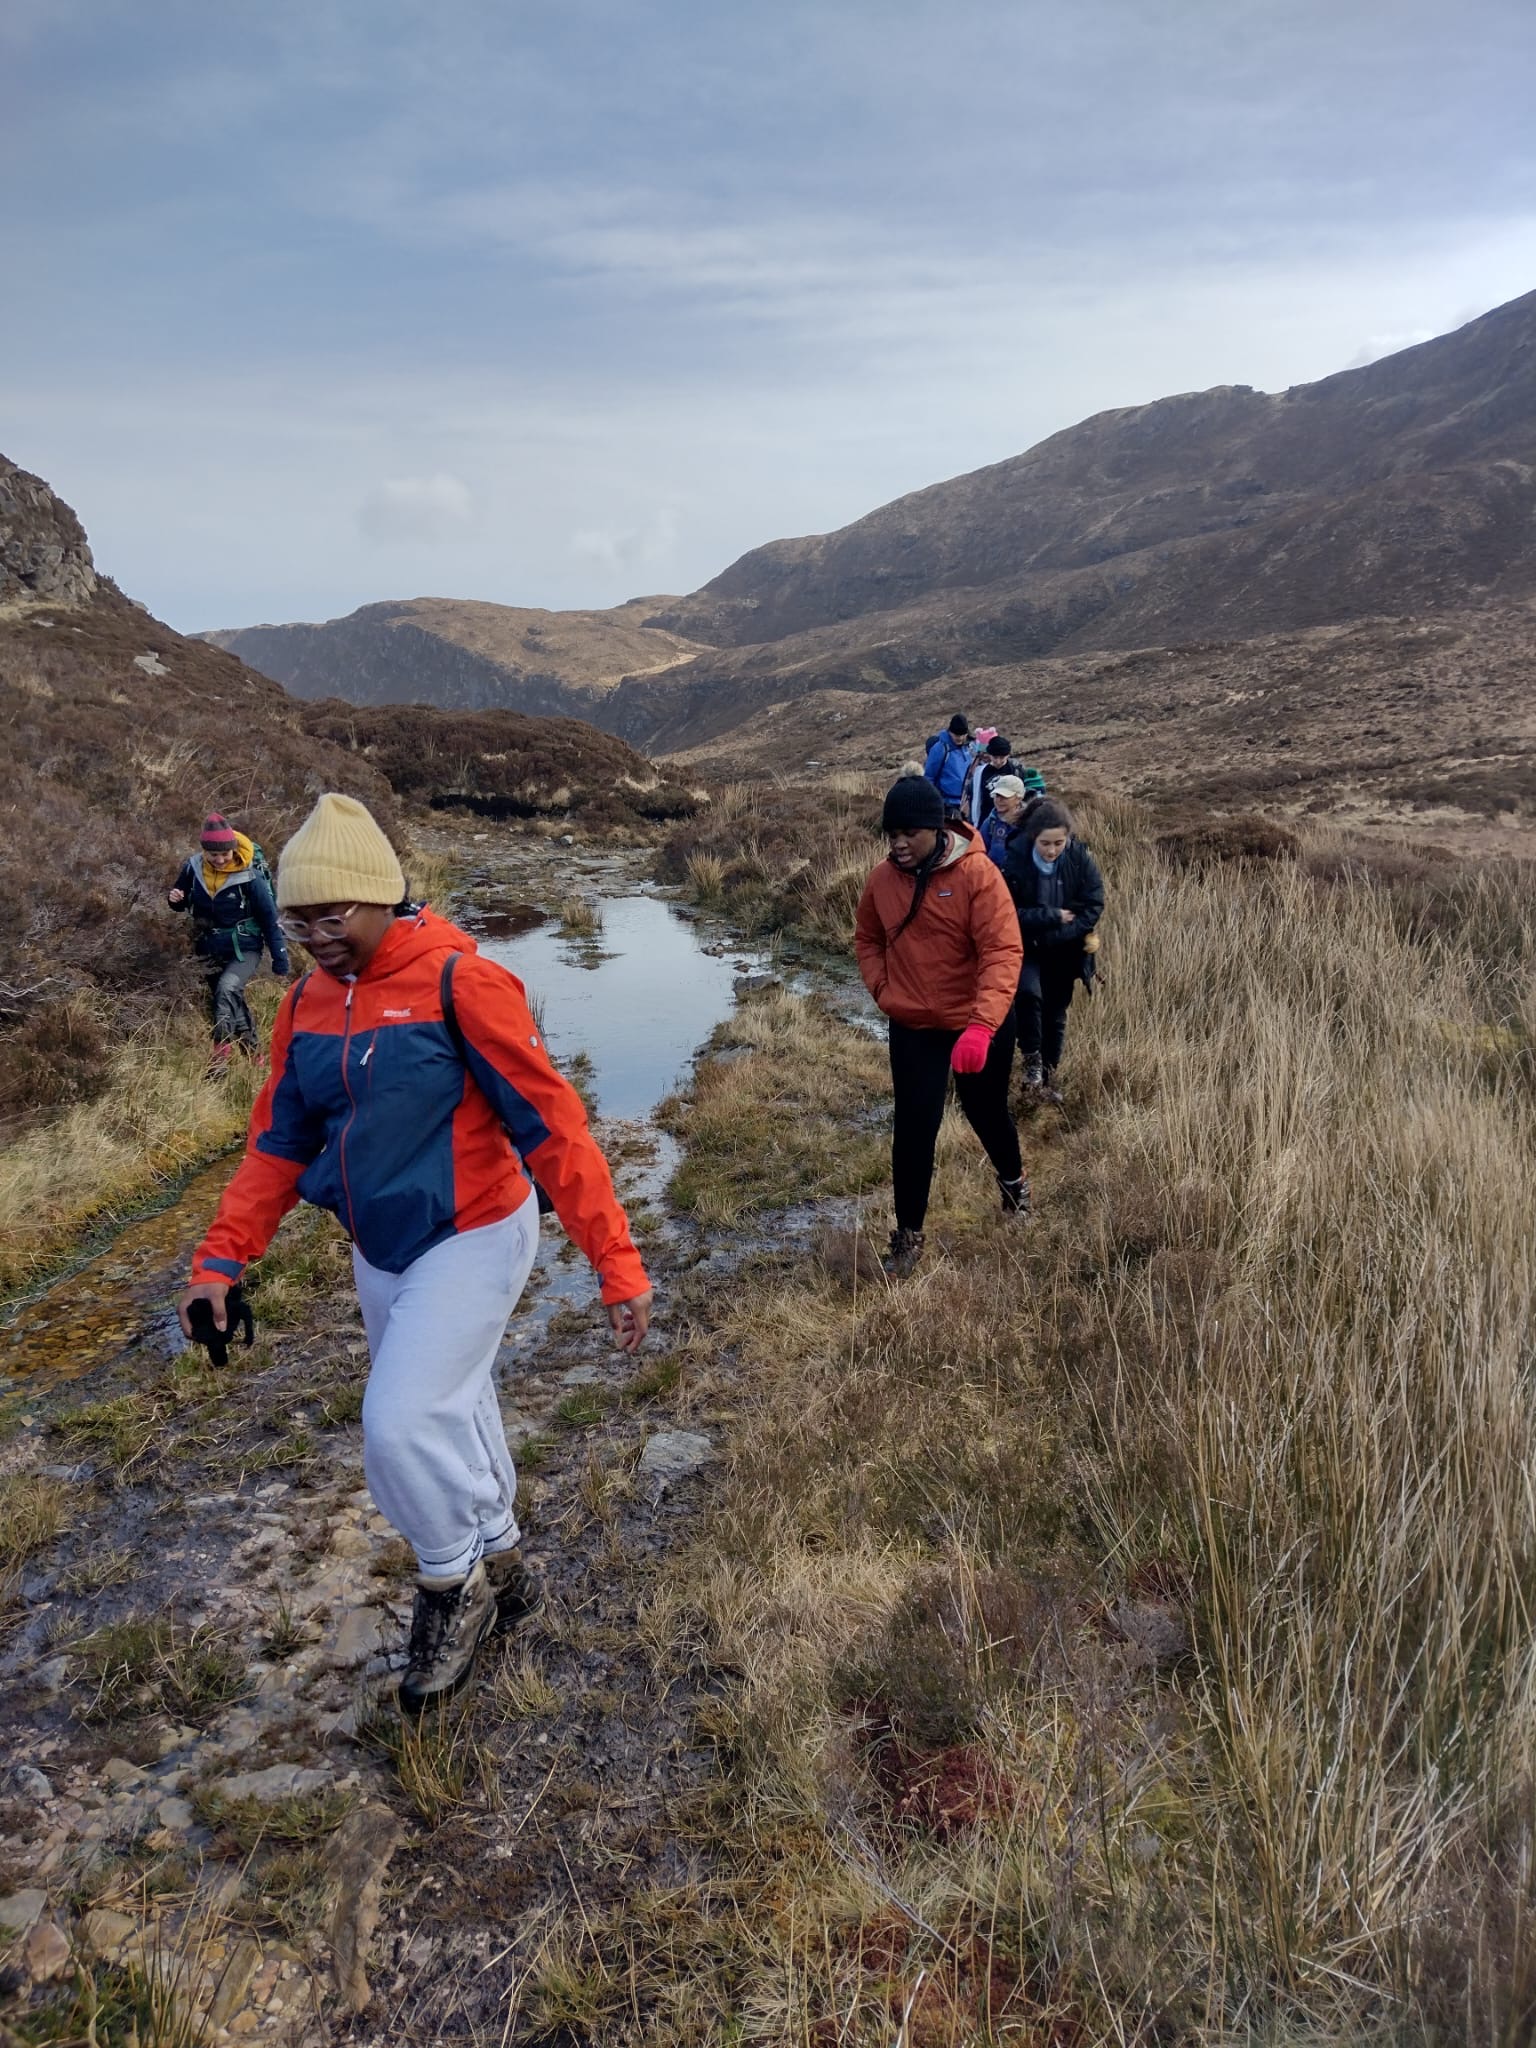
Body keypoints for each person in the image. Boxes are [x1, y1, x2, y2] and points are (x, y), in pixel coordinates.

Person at [177, 793, 654, 1714]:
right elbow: (277, 1144)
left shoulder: (461, 983)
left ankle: (450, 1581)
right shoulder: (306, 1005)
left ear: (382, 898)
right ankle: (502, 1558)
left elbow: (554, 1129)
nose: (314, 936)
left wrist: (615, 1261)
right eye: (298, 919)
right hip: (382, 1245)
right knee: (452, 1400)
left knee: (399, 1421)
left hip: (476, 1231)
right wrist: (219, 1263)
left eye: (332, 916)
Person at [855, 776, 1028, 1277]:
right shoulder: (882, 880)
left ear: (936, 829)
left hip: (977, 1023)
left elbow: (1002, 951)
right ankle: (908, 1236)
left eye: (909, 833)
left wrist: (981, 1026)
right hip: (914, 1023)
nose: (898, 843)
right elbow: (867, 938)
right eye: (892, 834)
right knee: (914, 1126)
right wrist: (883, 990)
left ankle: (1014, 1185)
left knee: (986, 1111)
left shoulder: (977, 874)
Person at [1002, 799, 1105, 1104]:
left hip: (1066, 950)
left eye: (1059, 843)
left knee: (1055, 1014)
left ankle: (1048, 1076)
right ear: (1033, 836)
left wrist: (1065, 932)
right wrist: (1051, 916)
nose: (1051, 850)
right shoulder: (1016, 858)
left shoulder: (1079, 858)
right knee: (1028, 995)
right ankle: (1031, 1062)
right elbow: (1008, 911)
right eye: (1045, 843)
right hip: (1027, 945)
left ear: (1067, 838)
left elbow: (1094, 905)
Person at [168, 813, 289, 1066]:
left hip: (245, 948)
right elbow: (181, 900)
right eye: (214, 855)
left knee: (227, 989)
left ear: (233, 849)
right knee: (230, 999)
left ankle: (220, 1054)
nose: (221, 859)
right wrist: (175, 899)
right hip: (208, 948)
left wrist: (280, 958)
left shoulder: (251, 877)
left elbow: (269, 919)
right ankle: (255, 1058)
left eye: (225, 854)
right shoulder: (193, 868)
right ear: (204, 851)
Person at [923, 714, 975, 821]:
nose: (960, 738)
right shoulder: (940, 749)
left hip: (968, 803)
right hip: (948, 804)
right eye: (956, 735)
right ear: (950, 732)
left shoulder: (971, 747)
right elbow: (929, 777)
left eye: (962, 735)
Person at [966, 734, 1022, 827]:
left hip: (1010, 820)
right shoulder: (980, 772)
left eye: (1002, 758)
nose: (998, 761)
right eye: (995, 757)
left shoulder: (1015, 770)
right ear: (990, 755)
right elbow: (975, 798)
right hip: (986, 819)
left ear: (1008, 755)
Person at [979, 775, 1028, 865]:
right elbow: (980, 853)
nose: (999, 800)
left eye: (1005, 796)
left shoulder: (1029, 821)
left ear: (1018, 798)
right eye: (997, 795)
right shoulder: (989, 823)